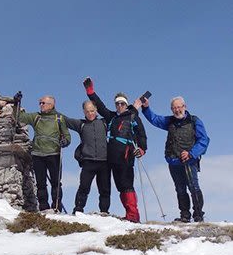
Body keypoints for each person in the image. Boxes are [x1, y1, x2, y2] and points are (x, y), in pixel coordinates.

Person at [135, 94, 209, 223]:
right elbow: (155, 119)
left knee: (193, 187)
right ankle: (185, 215)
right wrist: (146, 108)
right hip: (174, 161)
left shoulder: (194, 121)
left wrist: (191, 153)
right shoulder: (170, 121)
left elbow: (204, 140)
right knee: (180, 189)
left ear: (184, 107)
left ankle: (198, 215)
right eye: (174, 108)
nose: (177, 110)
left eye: (179, 107)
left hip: (189, 161)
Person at [83, 77, 147, 222]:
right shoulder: (111, 117)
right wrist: (90, 91)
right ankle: (128, 215)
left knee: (127, 185)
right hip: (111, 157)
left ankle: (133, 215)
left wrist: (142, 149)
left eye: (122, 103)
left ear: (126, 104)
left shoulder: (133, 117)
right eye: (117, 103)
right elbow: (100, 106)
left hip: (126, 156)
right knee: (119, 186)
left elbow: (142, 135)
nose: (119, 105)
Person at [13, 92, 71, 212]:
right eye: (40, 103)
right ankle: (44, 207)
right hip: (38, 154)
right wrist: (16, 103)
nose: (40, 105)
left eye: (43, 103)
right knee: (41, 183)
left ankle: (56, 206)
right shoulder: (36, 117)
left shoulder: (59, 118)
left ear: (51, 104)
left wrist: (65, 141)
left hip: (54, 154)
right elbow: (19, 117)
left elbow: (67, 136)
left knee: (56, 182)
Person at [63, 101, 111, 215]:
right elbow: (65, 120)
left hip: (104, 162)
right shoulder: (81, 124)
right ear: (84, 112)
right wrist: (52, 110)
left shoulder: (104, 122)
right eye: (87, 111)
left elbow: (119, 118)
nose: (90, 114)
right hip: (88, 162)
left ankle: (104, 211)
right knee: (84, 187)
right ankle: (78, 209)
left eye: (92, 111)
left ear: (96, 110)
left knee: (105, 189)